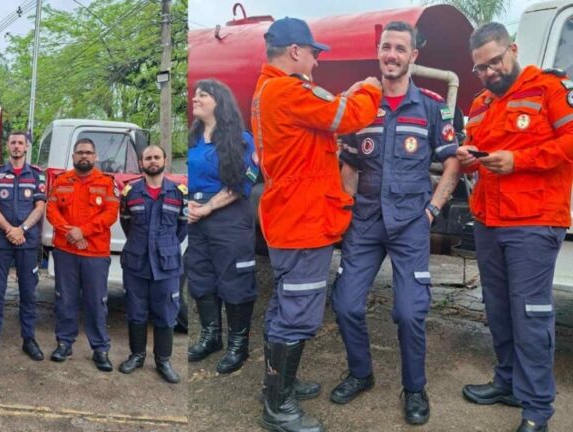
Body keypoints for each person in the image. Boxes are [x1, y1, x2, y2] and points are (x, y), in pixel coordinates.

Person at [251, 17, 382, 432]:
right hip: (303, 221)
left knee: (282, 307)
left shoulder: (266, 90)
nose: (316, 62)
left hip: (289, 217)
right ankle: (278, 408)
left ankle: (277, 385)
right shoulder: (289, 89)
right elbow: (350, 114)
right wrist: (371, 86)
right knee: (298, 315)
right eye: (313, 53)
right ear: (294, 52)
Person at [330, 21, 461, 426]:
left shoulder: (431, 106)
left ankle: (415, 388)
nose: (391, 55)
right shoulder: (362, 103)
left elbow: (452, 161)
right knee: (346, 303)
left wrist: (432, 210)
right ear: (379, 52)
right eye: (386, 47)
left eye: (400, 49)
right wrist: (348, 207)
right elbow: (349, 161)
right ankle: (360, 373)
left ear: (413, 56)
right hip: (366, 223)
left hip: (410, 225)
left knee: (409, 312)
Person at [456, 22, 573, 432]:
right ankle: (507, 382)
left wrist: (519, 161)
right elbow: (474, 148)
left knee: (530, 314)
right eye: (481, 68)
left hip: (534, 223)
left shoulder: (549, 89)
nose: (489, 72)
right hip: (489, 219)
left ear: (513, 50)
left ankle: (537, 408)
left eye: (495, 62)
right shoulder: (480, 103)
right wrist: (468, 156)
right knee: (499, 310)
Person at [186, 79, 259, 375]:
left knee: (235, 281)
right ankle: (211, 336)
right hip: (195, 219)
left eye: (203, 95)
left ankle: (238, 345)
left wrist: (208, 207)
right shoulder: (191, 142)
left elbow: (244, 181)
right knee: (201, 277)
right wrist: (188, 205)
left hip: (228, 218)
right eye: (195, 94)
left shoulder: (241, 140)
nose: (196, 98)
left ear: (220, 102)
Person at [45, 137, 119, 371]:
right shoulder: (62, 181)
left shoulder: (106, 182)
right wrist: (70, 232)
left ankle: (100, 348)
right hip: (66, 250)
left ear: (95, 156)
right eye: (80, 153)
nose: (84, 156)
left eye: (88, 152)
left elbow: (110, 214)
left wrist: (83, 231)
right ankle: (64, 343)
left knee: (96, 302)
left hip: (95, 252)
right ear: (73, 156)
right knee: (65, 299)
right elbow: (52, 210)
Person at [118, 145, 187, 383]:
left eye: (157, 157)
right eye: (148, 158)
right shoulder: (130, 192)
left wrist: (165, 246)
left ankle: (163, 361)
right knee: (136, 313)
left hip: (166, 265)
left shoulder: (179, 192)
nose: (153, 161)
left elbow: (182, 226)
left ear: (165, 160)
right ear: (141, 163)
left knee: (166, 313)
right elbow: (126, 222)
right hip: (137, 262)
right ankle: (136, 355)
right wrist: (142, 245)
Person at [0, 131, 46, 361]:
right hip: (1, 241)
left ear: (26, 147)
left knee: (28, 292)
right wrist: (10, 229)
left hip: (27, 242)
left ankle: (29, 339)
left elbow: (39, 207)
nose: (17, 146)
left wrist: (22, 230)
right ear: (8, 147)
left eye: (20, 143)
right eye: (13, 143)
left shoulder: (37, 175)